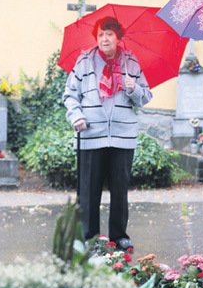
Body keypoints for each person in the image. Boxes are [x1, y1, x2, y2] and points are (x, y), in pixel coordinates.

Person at [63, 16, 152, 252]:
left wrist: (134, 89)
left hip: (122, 136)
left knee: (120, 190)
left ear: (118, 37)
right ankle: (89, 237)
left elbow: (145, 98)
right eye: (101, 34)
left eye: (109, 34)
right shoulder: (84, 62)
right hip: (90, 134)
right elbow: (70, 95)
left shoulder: (131, 63)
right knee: (88, 191)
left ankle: (119, 236)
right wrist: (76, 116)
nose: (105, 39)